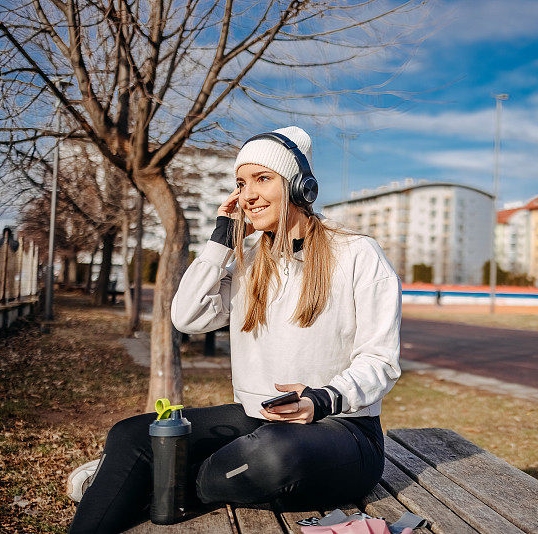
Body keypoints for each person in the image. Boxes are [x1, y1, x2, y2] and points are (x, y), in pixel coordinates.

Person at [66, 126, 402, 533]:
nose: (248, 194)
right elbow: (186, 317)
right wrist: (221, 241)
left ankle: (157, 484)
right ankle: (136, 482)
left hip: (342, 429)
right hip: (262, 420)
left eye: (263, 179)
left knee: (272, 457)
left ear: (301, 187)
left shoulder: (356, 253)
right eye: (241, 183)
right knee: (134, 435)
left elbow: (381, 360)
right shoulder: (247, 259)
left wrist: (322, 399)